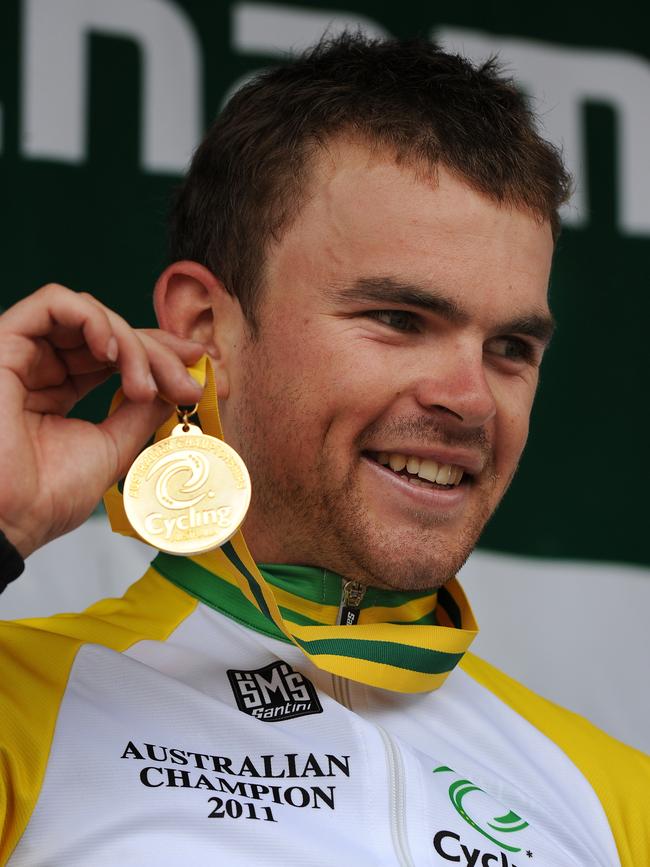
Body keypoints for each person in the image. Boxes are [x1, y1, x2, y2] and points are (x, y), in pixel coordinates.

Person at [0, 33, 648, 867]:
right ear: (207, 328)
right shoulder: (23, 703)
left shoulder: (612, 795)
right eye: (399, 319)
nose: (471, 397)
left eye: (512, 348)